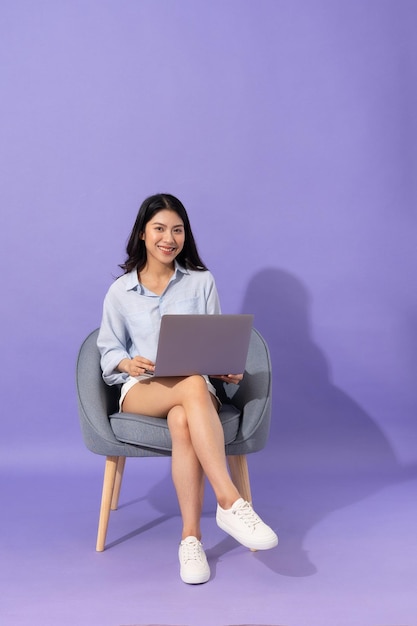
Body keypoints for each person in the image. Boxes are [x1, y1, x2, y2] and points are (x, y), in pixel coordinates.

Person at [97, 193, 278, 584]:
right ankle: (229, 501)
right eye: (160, 228)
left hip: (195, 390)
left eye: (177, 229)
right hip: (144, 389)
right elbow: (108, 350)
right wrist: (127, 362)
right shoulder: (121, 291)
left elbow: (212, 340)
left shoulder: (201, 282)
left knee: (185, 412)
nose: (169, 238)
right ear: (143, 234)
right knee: (191, 387)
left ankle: (190, 540)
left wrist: (225, 367)